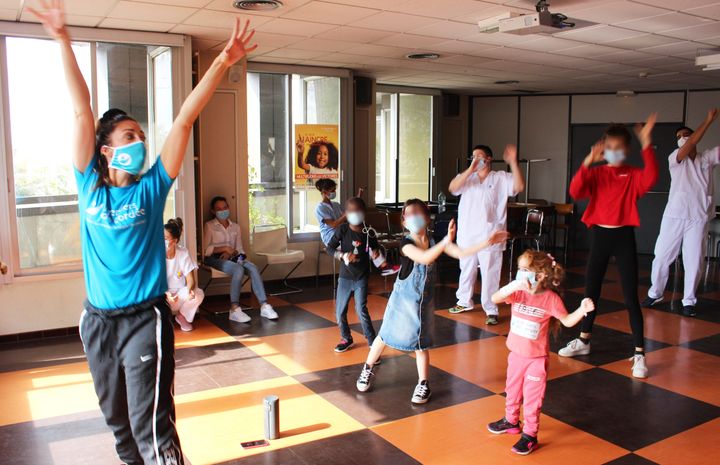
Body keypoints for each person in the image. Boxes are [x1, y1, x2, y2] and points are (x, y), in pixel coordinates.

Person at [31, 0, 258, 462]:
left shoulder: (151, 189)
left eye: (140, 136)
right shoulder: (88, 187)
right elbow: (81, 110)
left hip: (143, 319)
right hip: (97, 321)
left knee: (151, 427)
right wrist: (61, 39)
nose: (140, 142)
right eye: (129, 136)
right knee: (119, 430)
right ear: (105, 150)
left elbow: (183, 119)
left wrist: (221, 61)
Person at [356, 199, 509, 404]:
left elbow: (460, 252)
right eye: (409, 214)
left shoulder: (435, 241)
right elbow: (426, 258)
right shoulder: (406, 244)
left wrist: (487, 242)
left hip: (423, 303)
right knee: (384, 336)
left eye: (419, 212)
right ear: (403, 221)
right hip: (402, 301)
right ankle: (367, 368)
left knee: (421, 344)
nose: (414, 217)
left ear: (428, 218)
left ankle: (423, 384)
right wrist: (446, 241)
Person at [562, 115, 658, 379]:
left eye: (618, 147)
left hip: (624, 236)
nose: (613, 152)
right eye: (609, 147)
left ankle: (639, 353)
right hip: (601, 237)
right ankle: (583, 339)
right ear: (603, 149)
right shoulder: (597, 173)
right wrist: (587, 161)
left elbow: (650, 178)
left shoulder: (632, 174)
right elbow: (576, 190)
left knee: (629, 297)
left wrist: (647, 142)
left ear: (626, 150)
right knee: (590, 291)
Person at [487, 250, 595, 455]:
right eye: (519, 269)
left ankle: (530, 434)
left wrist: (582, 310)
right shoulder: (518, 292)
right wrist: (513, 285)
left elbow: (567, 320)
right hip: (516, 354)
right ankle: (510, 421)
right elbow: (495, 297)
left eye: (525, 270)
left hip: (536, 359)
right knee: (512, 390)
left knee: (532, 398)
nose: (520, 273)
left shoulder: (550, 299)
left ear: (541, 275)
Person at [644, 109, 719, 317]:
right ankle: (655, 292)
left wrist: (708, 123)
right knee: (661, 257)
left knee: (694, 261)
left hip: (698, 218)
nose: (681, 139)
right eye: (678, 137)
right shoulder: (674, 159)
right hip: (674, 216)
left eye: (685, 135)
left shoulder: (707, 158)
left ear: (695, 136)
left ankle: (689, 301)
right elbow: (688, 147)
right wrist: (709, 119)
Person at [448, 144, 525, 325]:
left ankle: (491, 308)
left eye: (480, 157)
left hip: (491, 236)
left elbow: (519, 186)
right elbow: (453, 188)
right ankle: (463, 301)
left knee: (491, 272)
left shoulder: (500, 178)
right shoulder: (468, 178)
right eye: (473, 157)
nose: (476, 160)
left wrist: (513, 162)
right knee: (466, 269)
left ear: (488, 159)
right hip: (468, 234)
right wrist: (470, 169)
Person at [326, 197, 391, 352]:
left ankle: (371, 340)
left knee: (361, 309)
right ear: (346, 213)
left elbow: (375, 253)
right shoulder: (342, 230)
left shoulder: (369, 232)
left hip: (362, 276)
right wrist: (343, 255)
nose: (355, 214)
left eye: (358, 211)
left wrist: (378, 257)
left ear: (364, 213)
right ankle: (346, 338)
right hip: (345, 277)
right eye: (351, 211)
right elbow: (329, 248)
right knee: (340, 310)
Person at [203, 196, 278, 323]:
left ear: (229, 208)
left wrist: (234, 255)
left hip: (233, 257)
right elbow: (205, 251)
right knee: (238, 269)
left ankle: (264, 305)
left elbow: (241, 251)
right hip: (213, 259)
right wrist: (225, 248)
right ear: (213, 211)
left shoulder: (236, 227)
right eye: (219, 209)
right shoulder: (209, 226)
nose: (223, 211)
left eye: (225, 208)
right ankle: (234, 309)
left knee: (253, 268)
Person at [164, 218, 204, 332]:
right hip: (163, 296)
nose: (162, 241)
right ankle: (162, 321)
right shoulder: (156, 255)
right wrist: (167, 295)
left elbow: (191, 280)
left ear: (175, 241)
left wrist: (189, 290)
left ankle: (181, 316)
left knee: (198, 293)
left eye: (165, 238)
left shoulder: (183, 253)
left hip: (179, 296)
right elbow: (154, 283)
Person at [315, 178, 345, 246]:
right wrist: (346, 215)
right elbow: (333, 224)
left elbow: (346, 218)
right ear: (324, 192)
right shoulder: (320, 208)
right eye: (332, 190)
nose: (334, 192)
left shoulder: (336, 205)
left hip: (341, 234)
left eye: (335, 190)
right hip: (330, 237)